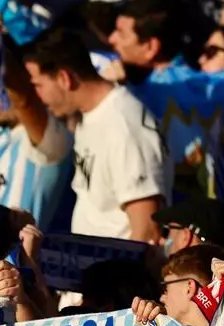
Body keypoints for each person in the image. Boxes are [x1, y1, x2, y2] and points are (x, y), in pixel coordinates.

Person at [22, 27, 168, 241]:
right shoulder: (91, 117)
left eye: (38, 85)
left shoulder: (125, 125)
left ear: (64, 78)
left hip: (121, 271)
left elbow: (147, 230)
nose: (36, 96)